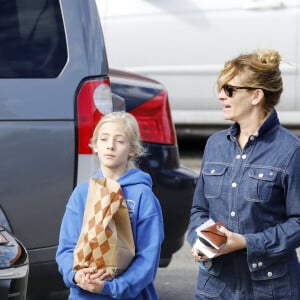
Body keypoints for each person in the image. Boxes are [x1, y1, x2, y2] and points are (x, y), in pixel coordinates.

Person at [187, 49, 300, 299]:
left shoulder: (291, 151)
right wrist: (205, 241)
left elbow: (298, 223)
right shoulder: (214, 145)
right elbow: (199, 210)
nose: (220, 96)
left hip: (270, 289)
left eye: (229, 90)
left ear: (256, 96)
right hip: (215, 287)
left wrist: (247, 243)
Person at [56, 111, 164, 299]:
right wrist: (75, 275)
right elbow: (66, 248)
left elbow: (148, 259)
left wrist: (112, 287)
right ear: (95, 145)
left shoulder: (142, 196)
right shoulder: (82, 194)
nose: (111, 146)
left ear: (133, 150)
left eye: (120, 141)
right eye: (104, 139)